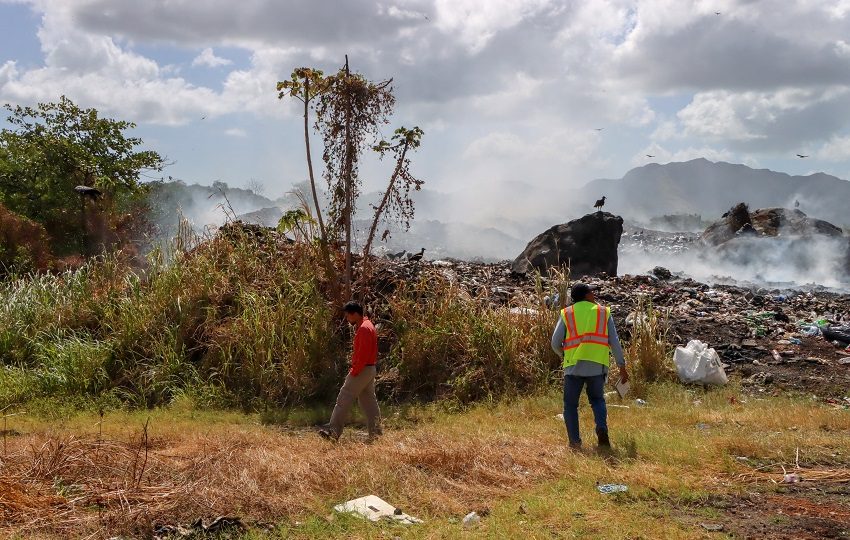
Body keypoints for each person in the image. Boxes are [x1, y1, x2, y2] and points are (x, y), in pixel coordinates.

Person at [551, 283, 628, 449]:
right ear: (586, 295)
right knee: (597, 400)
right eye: (592, 292)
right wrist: (622, 366)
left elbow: (555, 343)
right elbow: (614, 342)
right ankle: (601, 429)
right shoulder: (603, 312)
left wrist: (564, 355)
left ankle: (575, 442)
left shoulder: (567, 313)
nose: (594, 295)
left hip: (573, 366)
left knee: (570, 405)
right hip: (597, 366)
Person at [319, 301, 382, 441]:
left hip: (362, 369)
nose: (347, 318)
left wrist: (354, 371)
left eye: (348, 315)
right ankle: (377, 434)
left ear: (355, 314)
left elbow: (363, 355)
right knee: (369, 403)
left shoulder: (364, 329)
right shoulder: (367, 326)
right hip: (369, 369)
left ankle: (333, 431)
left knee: (343, 398)